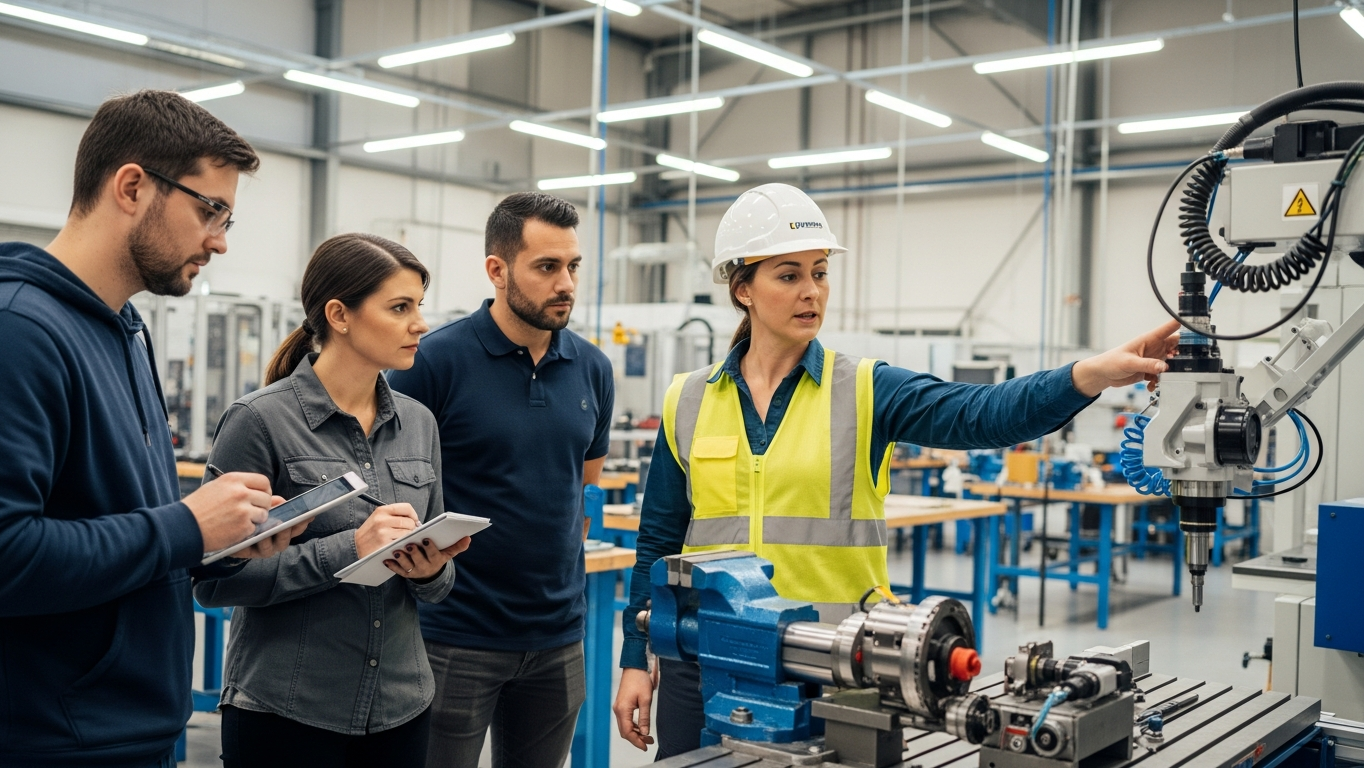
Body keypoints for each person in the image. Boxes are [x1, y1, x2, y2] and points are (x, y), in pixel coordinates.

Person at [611, 183, 1181, 758]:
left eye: (821, 272)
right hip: (708, 659)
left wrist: (1092, 373)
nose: (812, 292)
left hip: (833, 667)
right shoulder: (688, 399)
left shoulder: (865, 389)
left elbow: (984, 415)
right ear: (743, 290)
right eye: (789, 275)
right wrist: (637, 658)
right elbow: (659, 539)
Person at [0, 90, 299, 768]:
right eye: (211, 209)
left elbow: (112, 522)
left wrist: (221, 542)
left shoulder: (124, 329)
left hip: (125, 732)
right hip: (37, 745)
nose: (221, 240)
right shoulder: (11, 332)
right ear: (133, 187)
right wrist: (185, 527)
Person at [193, 232, 470, 767]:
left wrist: (427, 569)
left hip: (401, 706)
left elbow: (439, 585)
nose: (421, 324)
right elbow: (214, 580)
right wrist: (351, 548)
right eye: (400, 308)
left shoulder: (419, 423)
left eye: (419, 307)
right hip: (287, 711)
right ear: (339, 314)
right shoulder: (258, 422)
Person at [388, 192, 614, 768]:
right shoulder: (432, 364)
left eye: (573, 266)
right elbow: (391, 493)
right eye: (546, 267)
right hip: (453, 635)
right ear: (497, 269)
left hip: (559, 637)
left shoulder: (593, 368)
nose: (565, 282)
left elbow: (583, 484)